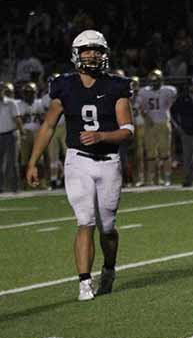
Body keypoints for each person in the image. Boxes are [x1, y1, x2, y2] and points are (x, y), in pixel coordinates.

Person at [25, 30, 133, 301]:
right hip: (78, 160)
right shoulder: (64, 85)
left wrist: (103, 136)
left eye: (97, 50)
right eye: (87, 50)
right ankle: (84, 282)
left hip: (109, 161)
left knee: (107, 227)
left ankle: (108, 269)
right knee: (85, 221)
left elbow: (128, 130)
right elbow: (49, 125)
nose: (93, 55)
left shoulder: (116, 85)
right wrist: (32, 162)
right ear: (76, 54)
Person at [137, 69, 177, 186]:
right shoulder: (144, 92)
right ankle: (152, 178)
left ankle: (167, 177)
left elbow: (172, 105)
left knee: (165, 153)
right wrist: (146, 117)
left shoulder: (168, 90)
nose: (154, 83)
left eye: (156, 80)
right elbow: (141, 107)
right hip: (149, 124)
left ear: (161, 80)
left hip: (163, 123)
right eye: (152, 80)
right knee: (150, 154)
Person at [17, 83, 46, 188]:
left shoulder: (39, 103)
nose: (28, 95)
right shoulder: (19, 104)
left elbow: (44, 119)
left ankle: (41, 182)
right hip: (25, 133)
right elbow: (17, 120)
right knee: (24, 160)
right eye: (26, 93)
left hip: (38, 133)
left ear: (35, 93)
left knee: (39, 159)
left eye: (30, 93)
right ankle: (24, 183)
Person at [0, 84, 24, 193]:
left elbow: (17, 120)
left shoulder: (11, 103)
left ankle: (15, 187)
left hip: (11, 134)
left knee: (13, 162)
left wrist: (22, 133)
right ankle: (1, 187)